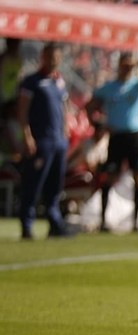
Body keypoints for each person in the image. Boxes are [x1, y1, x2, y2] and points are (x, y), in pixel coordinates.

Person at [86, 52, 138, 232]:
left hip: (134, 136)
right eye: (125, 65)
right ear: (119, 66)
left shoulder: (137, 85)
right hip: (117, 136)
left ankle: (135, 221)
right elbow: (90, 105)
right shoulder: (109, 87)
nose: (127, 69)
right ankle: (103, 220)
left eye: (130, 66)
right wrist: (97, 124)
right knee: (109, 176)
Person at [17, 42, 73, 240]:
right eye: (50, 56)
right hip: (42, 140)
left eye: (57, 57)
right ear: (43, 57)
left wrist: (66, 130)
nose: (54, 60)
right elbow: (22, 112)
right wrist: (27, 136)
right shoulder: (32, 82)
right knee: (33, 183)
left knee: (55, 186)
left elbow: (64, 107)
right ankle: (27, 225)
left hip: (58, 141)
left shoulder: (59, 81)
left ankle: (54, 223)